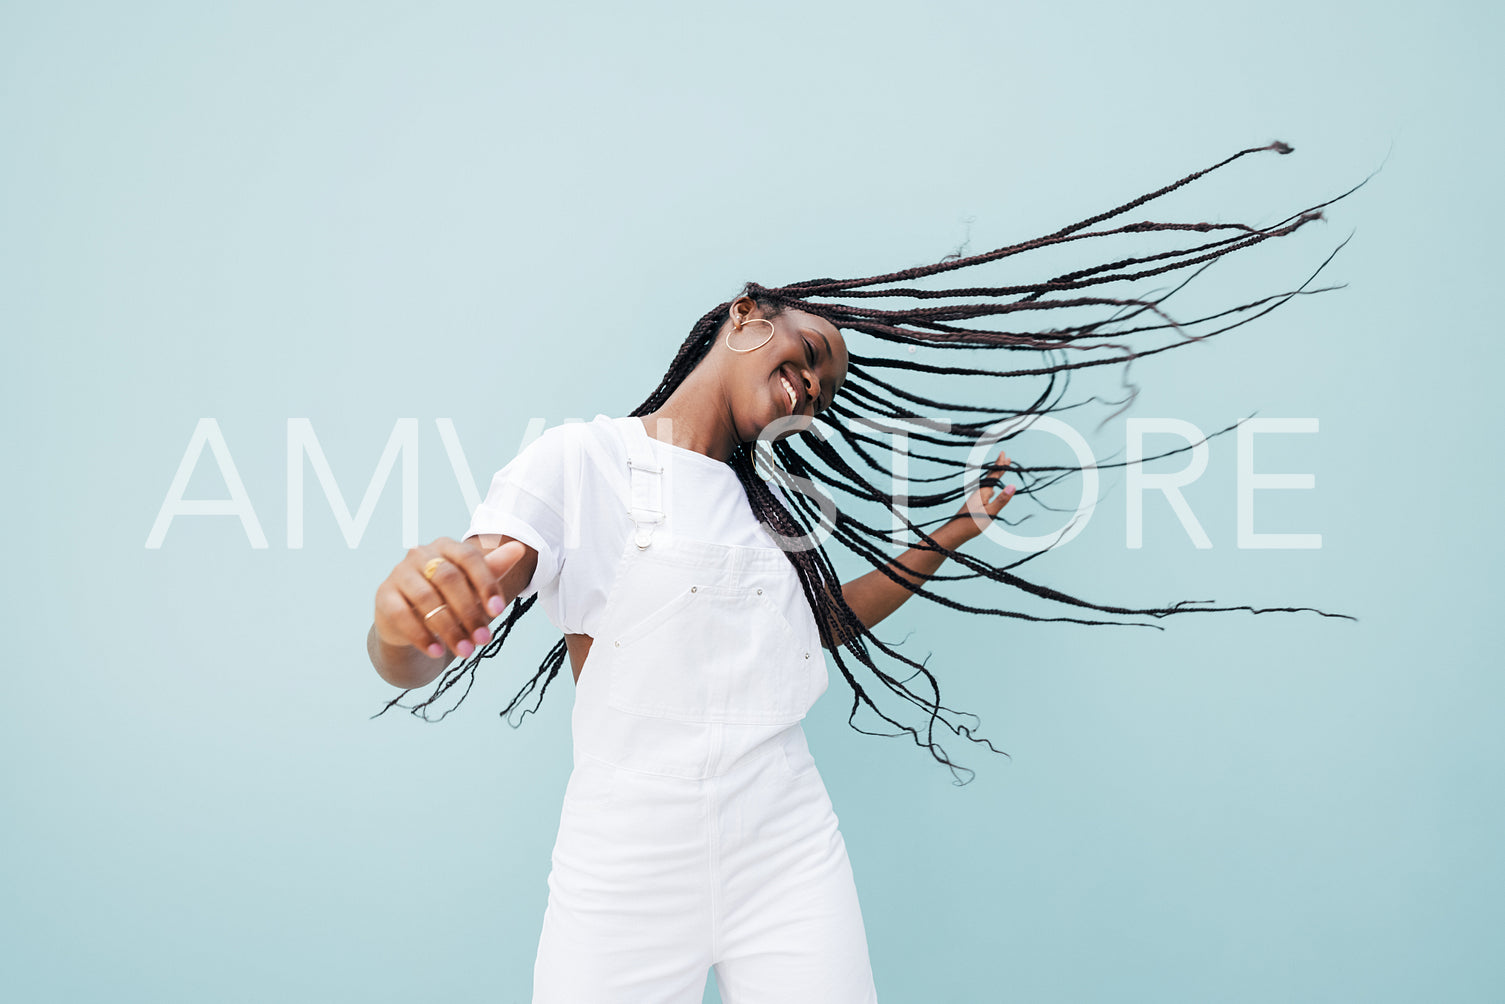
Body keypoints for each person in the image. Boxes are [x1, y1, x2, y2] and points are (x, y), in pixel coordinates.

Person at [366, 141, 1358, 1002]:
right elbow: (452, 610)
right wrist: (402, 625)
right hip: (628, 854)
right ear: (745, 311)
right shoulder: (580, 461)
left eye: (820, 387)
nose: (806, 385)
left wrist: (954, 532)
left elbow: (827, 620)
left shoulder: (768, 517)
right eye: (807, 354)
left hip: (786, 842)